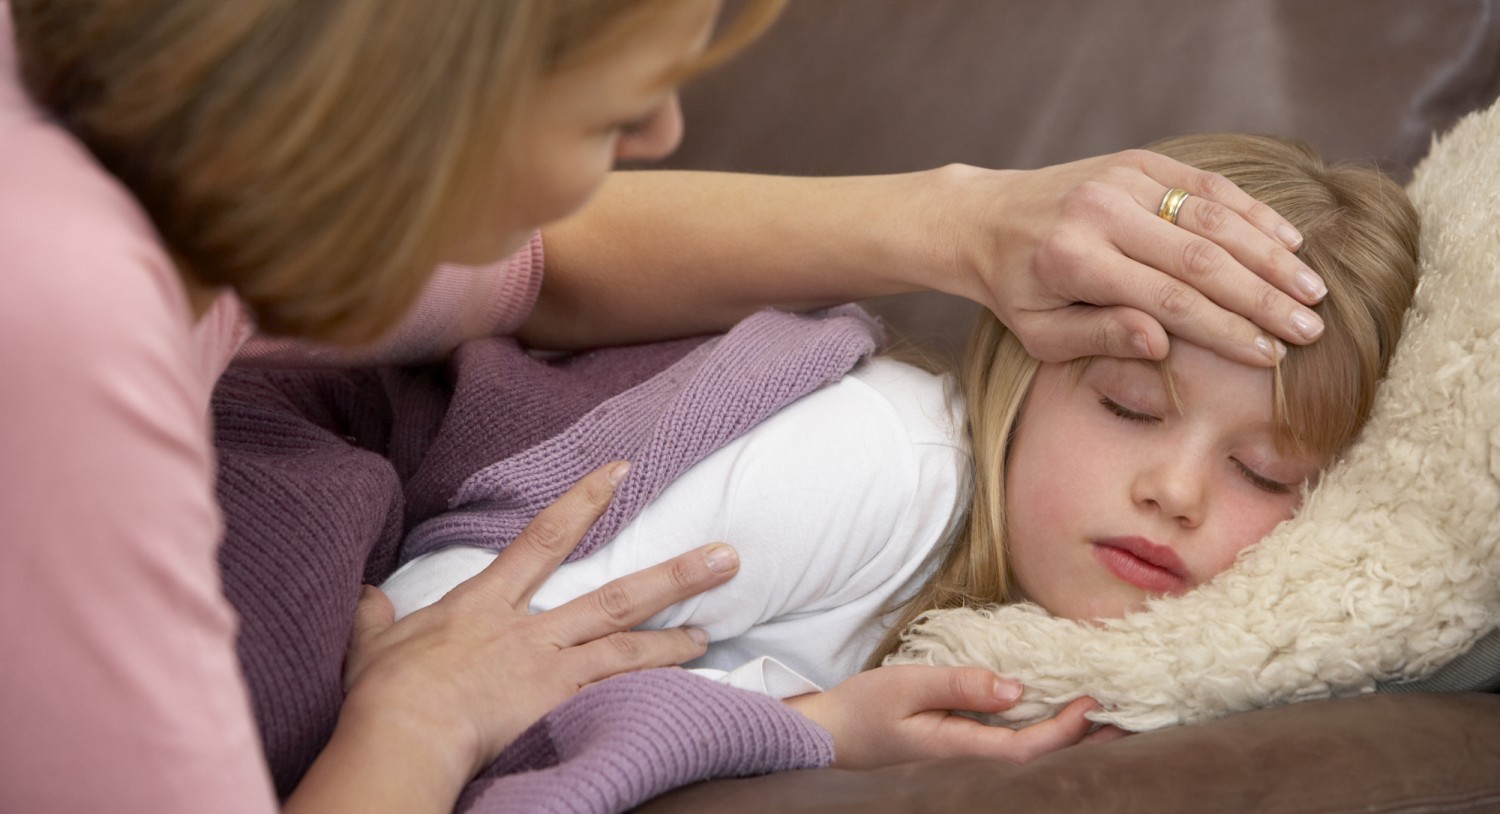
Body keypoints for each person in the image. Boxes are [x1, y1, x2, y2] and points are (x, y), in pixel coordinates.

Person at [0, 0, 1336, 809]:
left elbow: (533, 268)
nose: (661, 143)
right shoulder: (64, 307)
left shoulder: (168, 175)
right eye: (616, 108)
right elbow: (472, 642)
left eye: (1273, 477)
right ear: (422, 83)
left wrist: (970, 220)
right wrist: (412, 725)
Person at [382, 132, 1420, 768]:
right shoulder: (883, 461)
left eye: (1264, 473)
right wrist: (806, 727)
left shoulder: (1061, 636)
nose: (1176, 490)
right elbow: (435, 635)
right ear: (1025, 363)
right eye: (1130, 406)